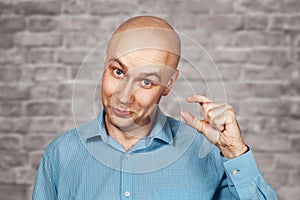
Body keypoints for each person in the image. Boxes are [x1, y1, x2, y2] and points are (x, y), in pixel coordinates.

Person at [32, 16, 277, 199]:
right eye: (118, 72)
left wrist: (235, 152)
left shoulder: (208, 153)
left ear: (169, 84)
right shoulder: (61, 155)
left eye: (146, 81)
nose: (124, 96)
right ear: (104, 63)